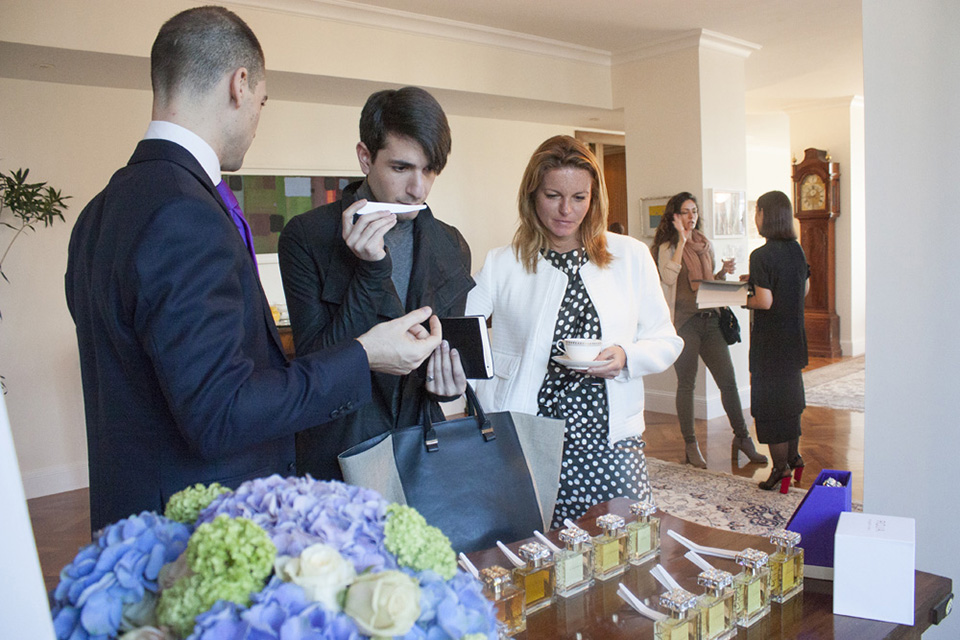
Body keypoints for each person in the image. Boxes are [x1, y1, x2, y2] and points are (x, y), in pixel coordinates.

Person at [65, 7, 442, 532]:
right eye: (262, 102)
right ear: (240, 85)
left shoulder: (100, 209)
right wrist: (365, 355)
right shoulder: (185, 213)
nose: (258, 119)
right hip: (194, 524)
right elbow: (222, 412)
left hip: (129, 518)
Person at [465, 135, 682, 527]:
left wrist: (626, 356)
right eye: (553, 195)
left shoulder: (630, 256)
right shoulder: (503, 264)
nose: (567, 210)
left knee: (627, 545)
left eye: (579, 198)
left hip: (610, 438)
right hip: (529, 438)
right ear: (532, 195)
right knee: (540, 555)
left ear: (594, 198)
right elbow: (462, 336)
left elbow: (666, 339)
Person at [278, 87, 474, 480]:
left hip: (422, 454)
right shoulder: (307, 236)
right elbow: (317, 367)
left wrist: (447, 385)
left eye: (430, 170)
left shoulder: (450, 244)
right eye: (401, 168)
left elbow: (439, 359)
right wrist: (369, 272)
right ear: (365, 158)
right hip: (337, 455)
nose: (419, 188)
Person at [650, 192, 767, 469]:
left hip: (710, 320)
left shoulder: (705, 244)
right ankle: (691, 445)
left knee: (728, 382)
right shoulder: (666, 246)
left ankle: (743, 438)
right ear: (674, 216)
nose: (692, 217)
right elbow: (667, 277)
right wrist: (680, 241)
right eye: (686, 212)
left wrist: (722, 274)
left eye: (695, 211)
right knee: (687, 385)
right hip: (684, 324)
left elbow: (707, 284)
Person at [742, 190, 810, 492]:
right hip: (794, 338)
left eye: (757, 211)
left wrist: (744, 297)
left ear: (764, 215)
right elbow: (803, 289)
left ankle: (779, 470)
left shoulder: (761, 255)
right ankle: (794, 459)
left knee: (770, 409)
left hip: (770, 344)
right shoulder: (796, 250)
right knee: (790, 405)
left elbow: (764, 301)